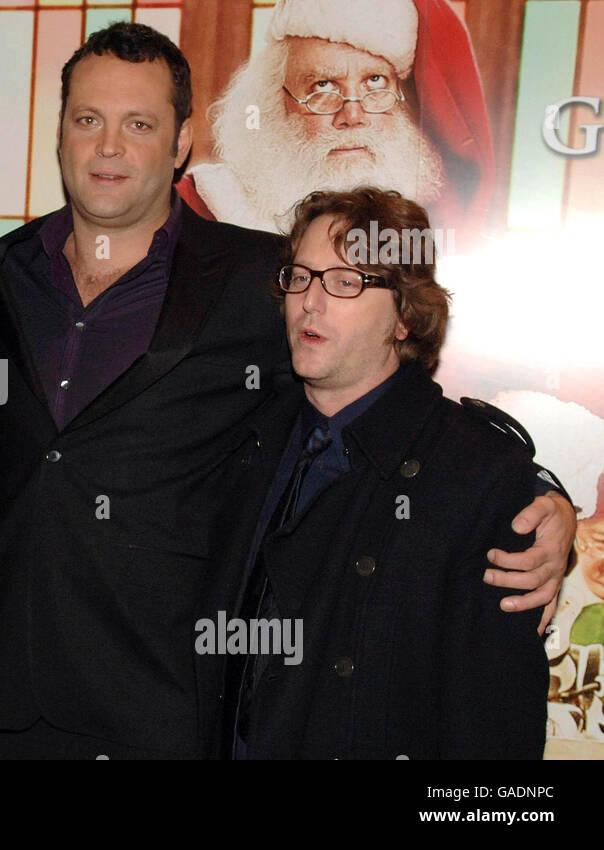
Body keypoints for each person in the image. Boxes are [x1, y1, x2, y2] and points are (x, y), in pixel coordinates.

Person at [0, 22, 571, 759]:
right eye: (88, 120)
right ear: (61, 129)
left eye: (139, 124)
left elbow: (388, 410)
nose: (108, 147)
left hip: (162, 698)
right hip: (7, 691)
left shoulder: (255, 277)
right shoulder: (9, 267)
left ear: (181, 139)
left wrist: (540, 498)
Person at [199, 188, 547, 759]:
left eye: (345, 282)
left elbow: (494, 728)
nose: (311, 302)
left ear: (406, 316)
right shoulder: (245, 435)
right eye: (301, 277)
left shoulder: (476, 474)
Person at [179, 0, 493, 240]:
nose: (352, 116)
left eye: (374, 83)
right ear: (275, 103)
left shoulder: (439, 226)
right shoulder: (199, 207)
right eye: (323, 86)